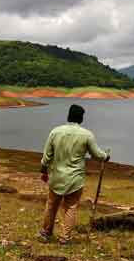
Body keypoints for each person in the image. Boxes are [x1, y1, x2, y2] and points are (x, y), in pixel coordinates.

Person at [39, 104, 109, 244]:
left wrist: (44, 171)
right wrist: (106, 156)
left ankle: (46, 233)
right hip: (75, 179)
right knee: (70, 207)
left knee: (51, 205)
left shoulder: (55, 132)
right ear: (81, 118)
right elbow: (97, 155)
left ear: (68, 116)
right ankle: (65, 238)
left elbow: (46, 157)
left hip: (56, 177)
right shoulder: (87, 135)